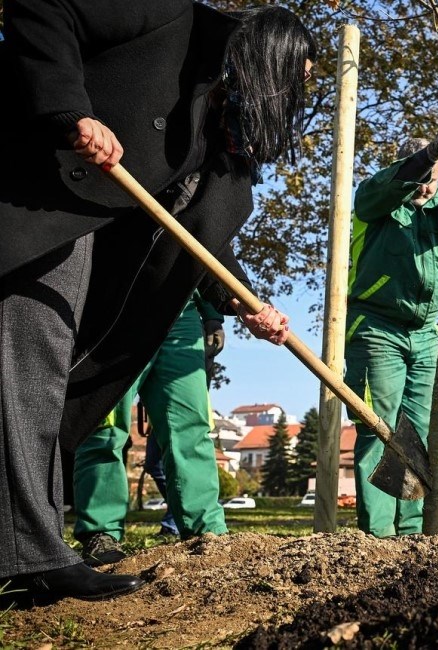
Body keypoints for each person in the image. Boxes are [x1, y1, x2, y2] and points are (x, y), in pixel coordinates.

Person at [1, 1, 310, 604]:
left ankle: (28, 553)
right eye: (293, 76)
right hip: (35, 200)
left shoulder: (223, 139)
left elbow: (195, 240)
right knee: (31, 366)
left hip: (95, 252)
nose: (297, 93)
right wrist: (72, 111)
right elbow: (42, 6)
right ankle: (31, 556)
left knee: (45, 384)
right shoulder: (168, 17)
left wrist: (240, 301)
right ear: (266, 55)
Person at [346, 116, 438, 537]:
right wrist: (428, 155)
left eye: (435, 177)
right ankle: (379, 534)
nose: (427, 185)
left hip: (426, 334)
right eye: (421, 173)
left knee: (417, 429)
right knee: (379, 424)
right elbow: (379, 193)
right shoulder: (379, 197)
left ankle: (409, 532)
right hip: (377, 327)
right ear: (406, 164)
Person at [73, 292, 228, 568]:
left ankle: (207, 531)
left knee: (191, 426)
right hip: (118, 306)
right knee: (106, 425)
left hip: (181, 314)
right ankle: (101, 531)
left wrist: (211, 311)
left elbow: (209, 251)